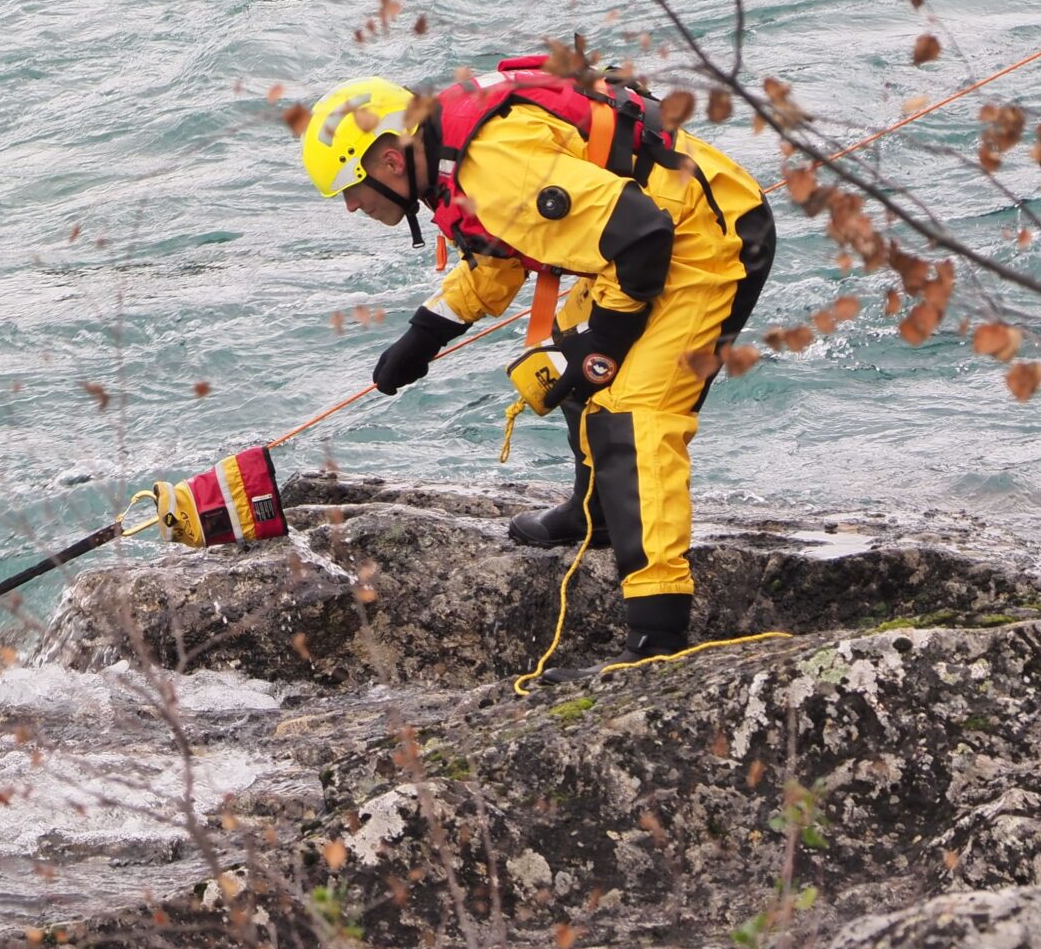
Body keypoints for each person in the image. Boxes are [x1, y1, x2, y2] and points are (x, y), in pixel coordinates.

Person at [300, 55, 776, 655]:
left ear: (391, 160)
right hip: (656, 236)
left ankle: (658, 632)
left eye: (351, 191)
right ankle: (596, 512)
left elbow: (643, 234)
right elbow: (500, 249)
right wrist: (426, 333)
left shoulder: (493, 168)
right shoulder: (455, 159)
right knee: (567, 351)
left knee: (632, 416)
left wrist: (600, 348)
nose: (351, 207)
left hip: (706, 239)